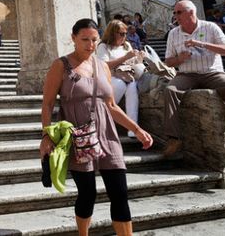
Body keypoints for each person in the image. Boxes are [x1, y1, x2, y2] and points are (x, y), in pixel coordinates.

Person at [40, 18, 153, 236]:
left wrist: (137, 130)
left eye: (94, 40)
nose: (90, 45)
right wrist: (46, 135)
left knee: (119, 192)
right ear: (73, 38)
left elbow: (111, 105)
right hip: (79, 136)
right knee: (87, 193)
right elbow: (47, 104)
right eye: (84, 39)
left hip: (108, 134)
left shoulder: (102, 66)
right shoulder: (60, 65)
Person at [162, 0, 225, 156]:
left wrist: (202, 44)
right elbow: (168, 62)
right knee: (170, 90)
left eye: (179, 12)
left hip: (212, 72)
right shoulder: (173, 33)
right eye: (174, 13)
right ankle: (173, 139)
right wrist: (180, 59)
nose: (175, 16)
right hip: (186, 74)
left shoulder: (210, 27)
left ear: (191, 13)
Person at [97, 20, 141, 138]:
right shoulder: (103, 46)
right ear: (113, 33)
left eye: (125, 33)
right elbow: (104, 65)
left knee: (132, 87)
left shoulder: (126, 45)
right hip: (110, 78)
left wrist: (138, 58)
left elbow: (132, 63)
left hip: (127, 76)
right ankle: (104, 117)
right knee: (121, 84)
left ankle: (132, 128)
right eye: (121, 34)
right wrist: (125, 58)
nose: (124, 36)